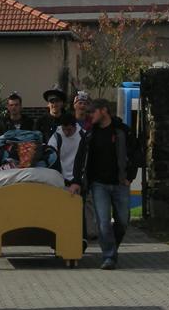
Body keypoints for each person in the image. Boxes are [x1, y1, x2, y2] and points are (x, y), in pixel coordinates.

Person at [70, 99, 136, 270]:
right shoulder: (90, 134)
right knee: (103, 222)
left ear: (104, 111)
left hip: (120, 183)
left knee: (123, 222)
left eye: (92, 112)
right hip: (99, 184)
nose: (89, 115)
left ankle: (112, 247)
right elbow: (80, 159)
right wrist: (77, 181)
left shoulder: (122, 131)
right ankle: (109, 256)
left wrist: (130, 176)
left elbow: (135, 154)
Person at [47, 112, 83, 184]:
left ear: (75, 126)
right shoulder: (57, 136)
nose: (66, 133)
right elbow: (50, 153)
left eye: (69, 130)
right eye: (64, 129)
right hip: (60, 178)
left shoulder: (82, 136)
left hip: (78, 178)